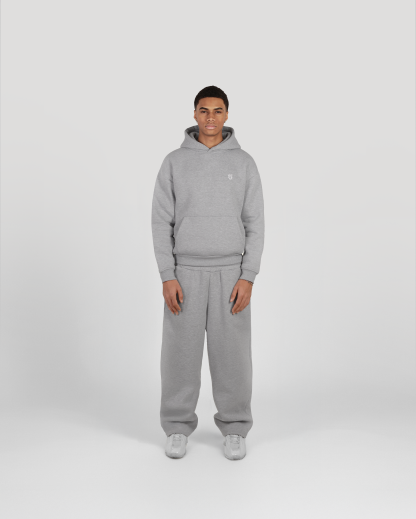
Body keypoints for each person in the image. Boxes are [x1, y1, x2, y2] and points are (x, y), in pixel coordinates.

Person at [151, 85, 265, 460]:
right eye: (204, 110)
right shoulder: (174, 162)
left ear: (227, 115)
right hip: (185, 273)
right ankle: (177, 426)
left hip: (230, 274)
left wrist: (248, 275)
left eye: (218, 110)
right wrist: (167, 274)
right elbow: (161, 222)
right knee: (179, 356)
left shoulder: (244, 163)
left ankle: (235, 428)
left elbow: (255, 223)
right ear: (194, 114)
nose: (211, 117)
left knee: (233, 357)